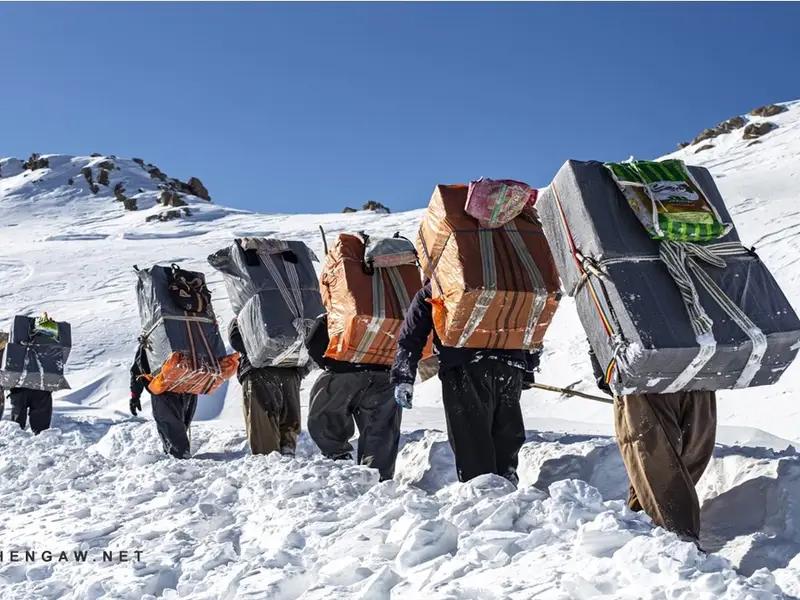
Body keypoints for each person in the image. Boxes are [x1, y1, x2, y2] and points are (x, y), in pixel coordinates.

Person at [391, 281, 538, 485]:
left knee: (472, 440)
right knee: (506, 435)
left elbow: (411, 336)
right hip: (510, 365)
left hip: (464, 366)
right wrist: (526, 368)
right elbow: (531, 320)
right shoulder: (507, 283)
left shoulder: (437, 287)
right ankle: (506, 484)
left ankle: (483, 495)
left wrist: (403, 377)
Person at [589, 346, 716, 542]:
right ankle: (664, 536)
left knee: (668, 458)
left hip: (670, 374)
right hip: (674, 372)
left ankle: (662, 536)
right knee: (664, 461)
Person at [305, 313, 401, 481]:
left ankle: (338, 461)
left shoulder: (338, 311)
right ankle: (378, 478)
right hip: (385, 376)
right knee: (381, 427)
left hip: (343, 374)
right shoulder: (393, 312)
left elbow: (313, 344)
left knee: (326, 416)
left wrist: (332, 364)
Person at [229, 318, 303, 456]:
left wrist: (263, 349)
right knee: (288, 419)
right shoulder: (293, 309)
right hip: (290, 371)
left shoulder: (245, 314)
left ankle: (269, 463)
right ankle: (287, 454)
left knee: (262, 422)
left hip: (258, 371)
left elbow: (236, 340)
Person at [130, 340, 197, 459]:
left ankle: (180, 464)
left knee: (171, 430)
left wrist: (135, 395)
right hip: (189, 388)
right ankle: (179, 457)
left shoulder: (152, 340)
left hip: (163, 390)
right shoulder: (187, 338)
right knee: (179, 427)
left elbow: (137, 370)